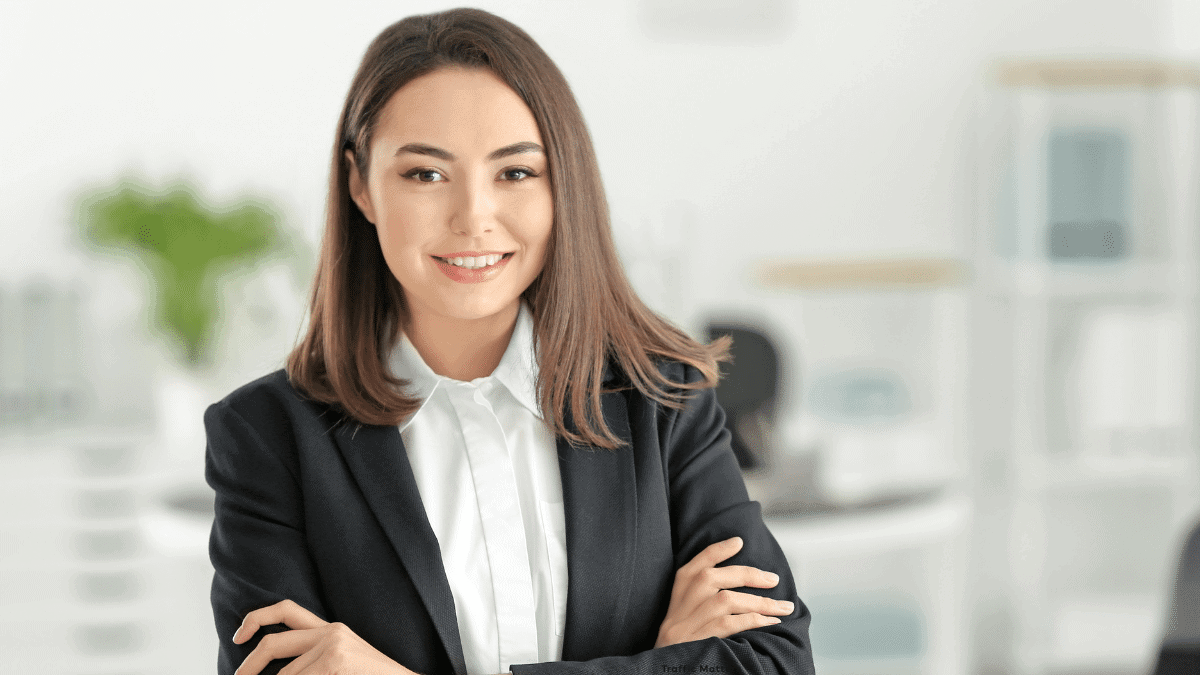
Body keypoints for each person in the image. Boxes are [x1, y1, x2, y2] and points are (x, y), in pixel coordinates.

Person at [204, 8, 814, 675]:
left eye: (516, 173)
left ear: (562, 185)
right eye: (425, 174)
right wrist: (662, 662)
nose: (473, 217)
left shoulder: (664, 399)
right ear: (360, 184)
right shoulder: (266, 437)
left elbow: (775, 661)